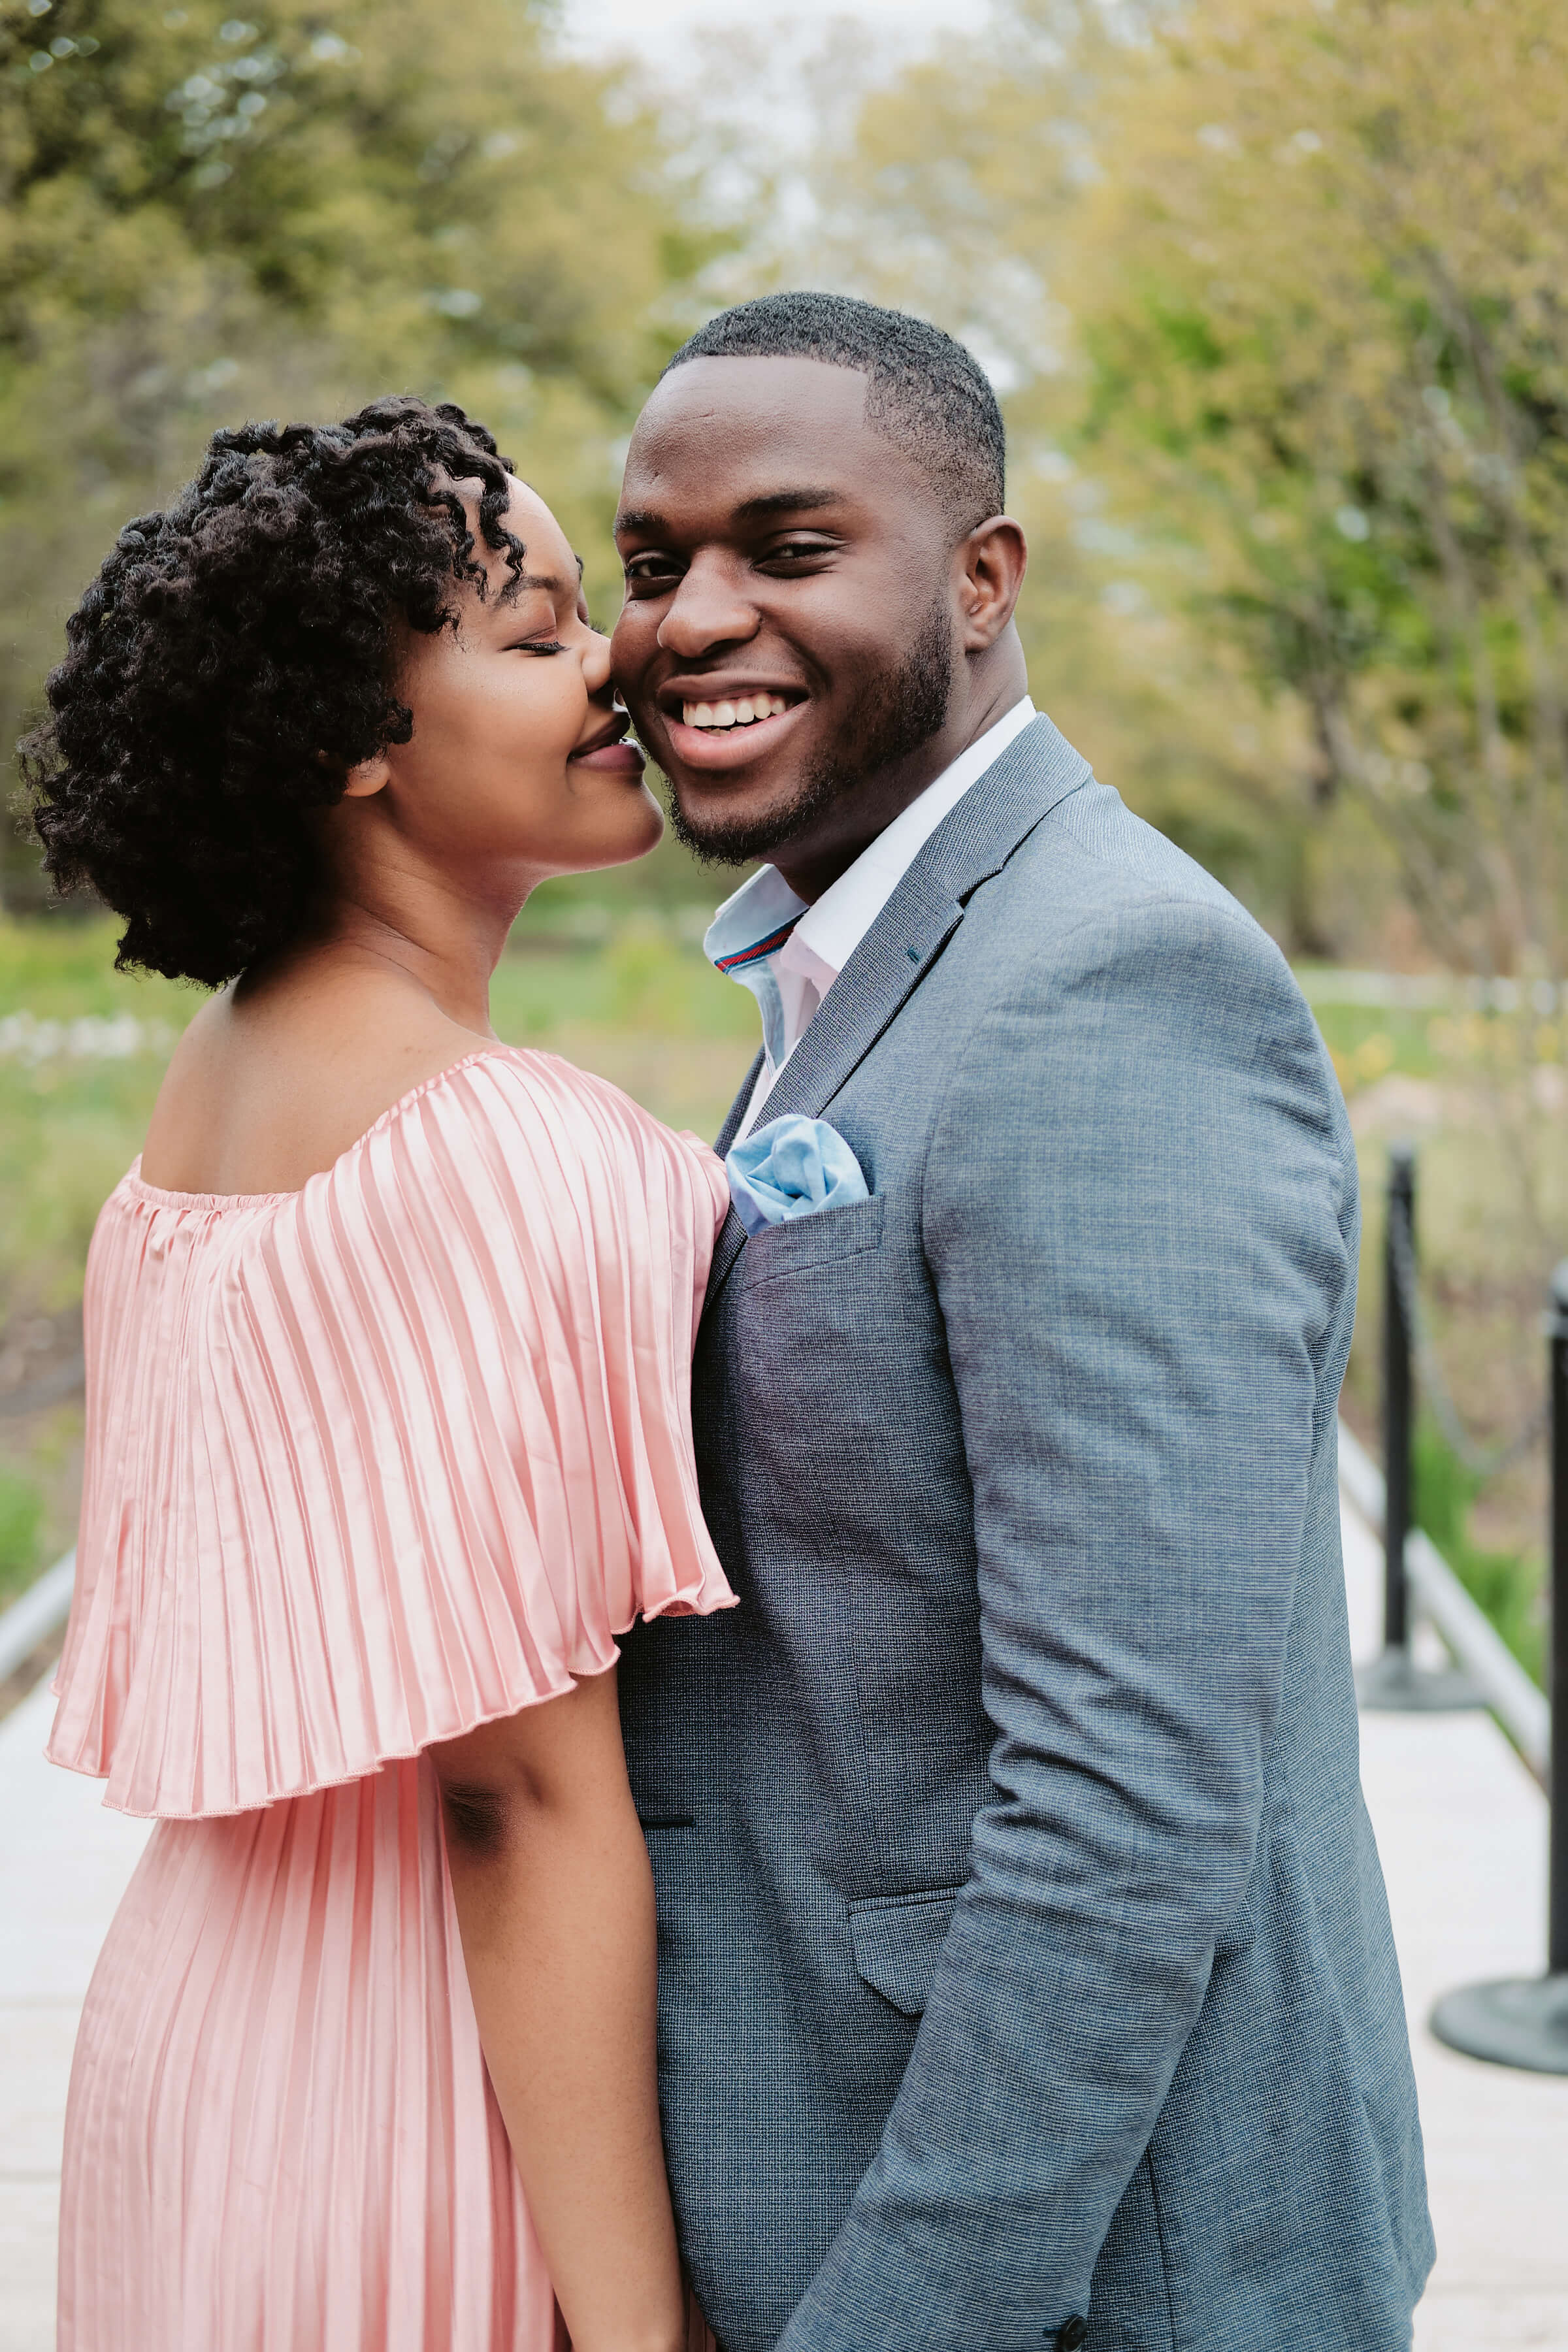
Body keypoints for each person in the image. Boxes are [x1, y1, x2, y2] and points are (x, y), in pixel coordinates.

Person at [612, 293, 1435, 2352]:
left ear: (982, 581)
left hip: (1081, 2272)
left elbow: (1132, 1796)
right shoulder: (854, 951)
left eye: (789, 551)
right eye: (654, 565)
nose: (690, 620)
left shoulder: (1108, 984)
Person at [27, 397, 733, 2352]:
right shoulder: (497, 1139)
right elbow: (511, 1797)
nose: (615, 665)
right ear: (356, 743)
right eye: (530, 635)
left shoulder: (216, 1087)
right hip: (413, 2104)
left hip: (193, 2053)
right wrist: (638, 2326)